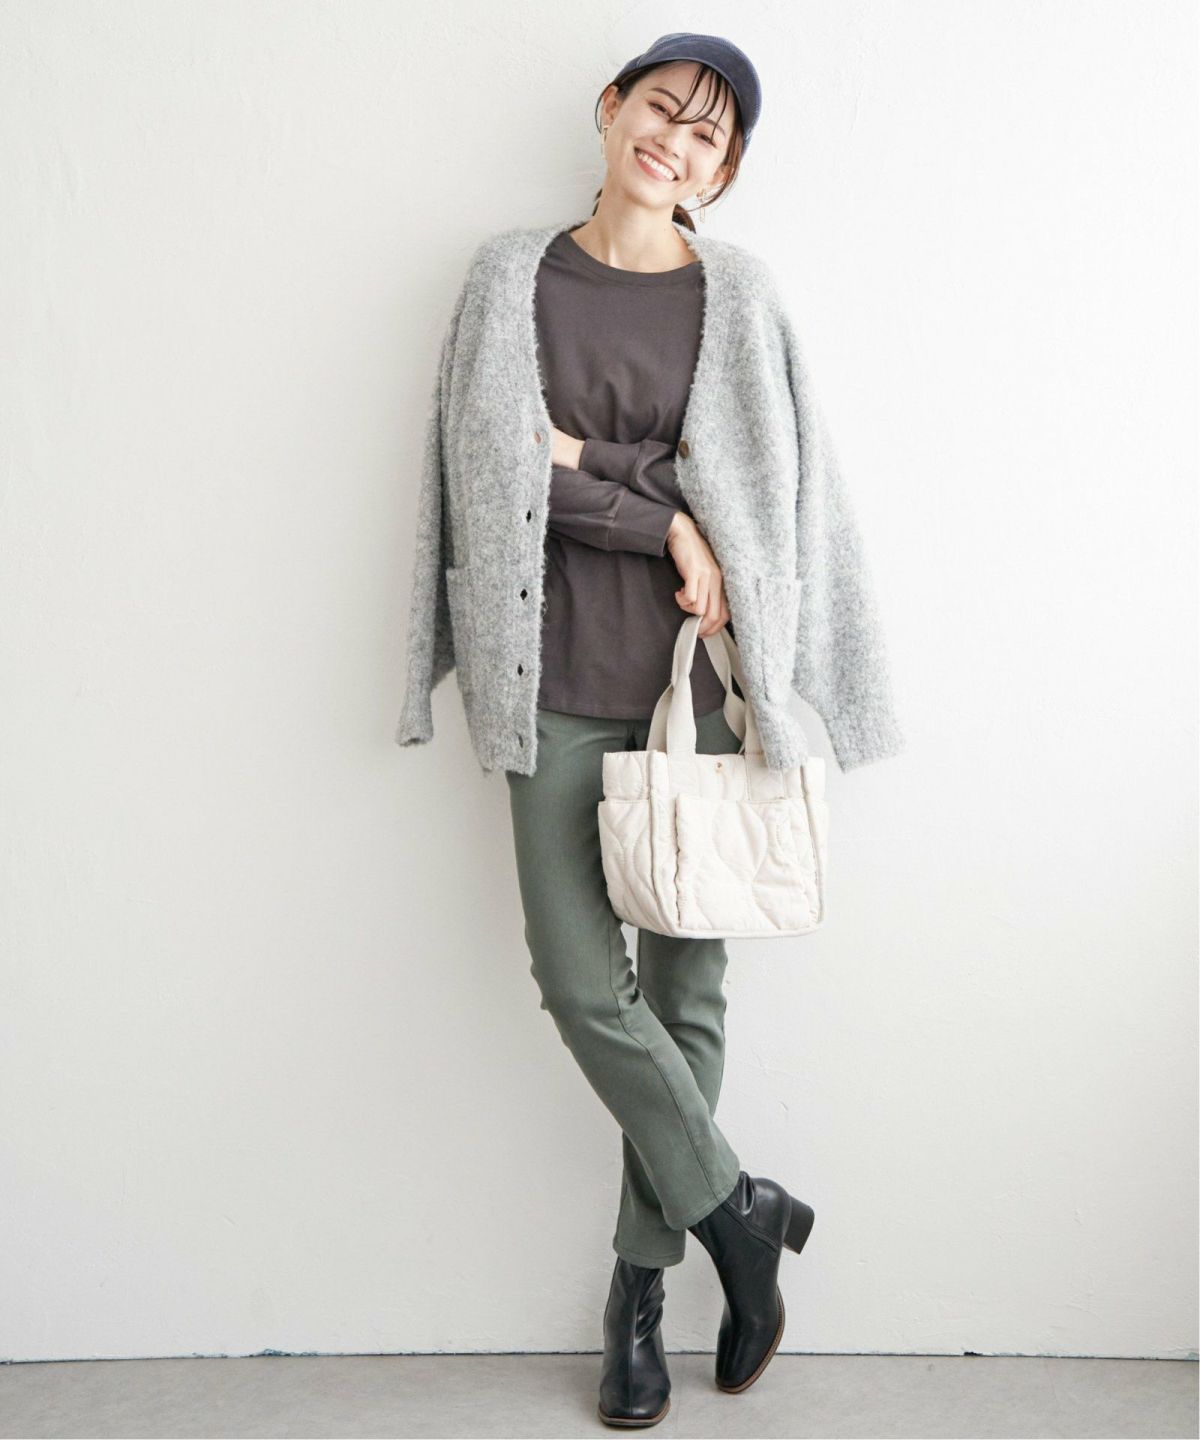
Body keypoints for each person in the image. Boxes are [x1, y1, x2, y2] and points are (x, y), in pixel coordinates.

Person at [502, 35, 819, 1428]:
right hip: (554, 672)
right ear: (610, 108)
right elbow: (496, 456)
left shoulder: (735, 297)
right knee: (583, 986)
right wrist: (665, 518)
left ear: (723, 172)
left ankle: (638, 1286)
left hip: (697, 689)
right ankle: (738, 1211)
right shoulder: (512, 279)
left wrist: (605, 466)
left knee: (685, 998)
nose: (673, 144)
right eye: (660, 110)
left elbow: (750, 478)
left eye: (706, 137)